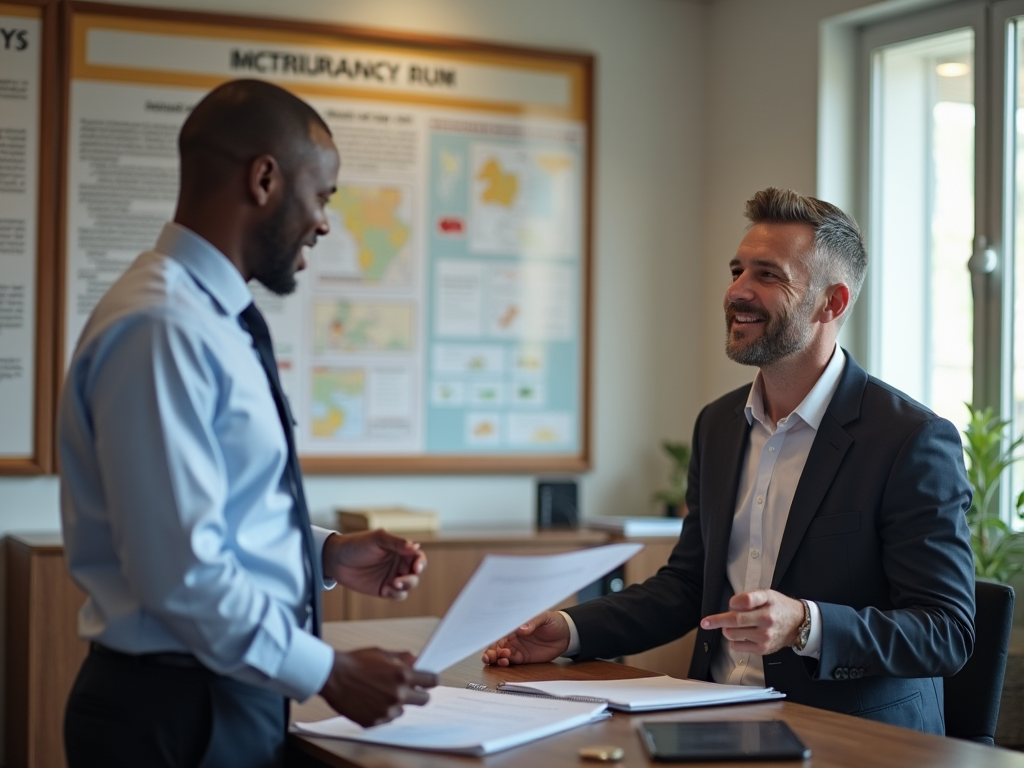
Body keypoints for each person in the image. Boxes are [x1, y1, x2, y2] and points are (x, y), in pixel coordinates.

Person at [484, 188, 976, 735]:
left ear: (830, 304)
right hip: (712, 722)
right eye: (737, 269)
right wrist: (571, 629)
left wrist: (805, 624)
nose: (736, 291)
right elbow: (689, 586)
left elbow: (946, 631)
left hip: (847, 738)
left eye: (767, 275)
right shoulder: (718, 425)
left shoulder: (910, 440)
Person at [58, 79, 437, 768]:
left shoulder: (208, 317)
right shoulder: (163, 326)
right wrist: (332, 671)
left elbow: (212, 510)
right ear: (264, 178)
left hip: (222, 696)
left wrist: (319, 553)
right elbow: (179, 573)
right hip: (173, 717)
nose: (324, 224)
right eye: (321, 197)